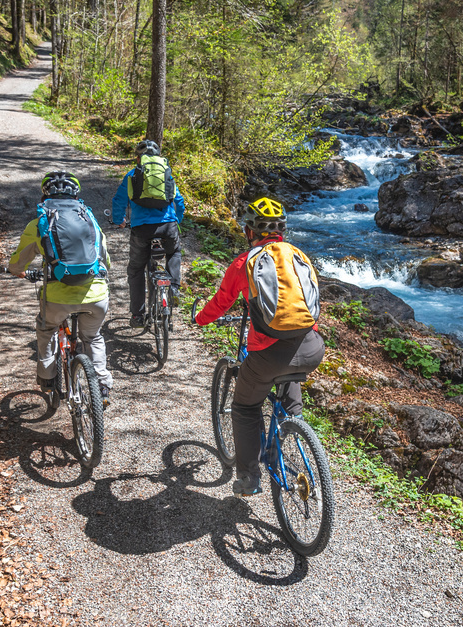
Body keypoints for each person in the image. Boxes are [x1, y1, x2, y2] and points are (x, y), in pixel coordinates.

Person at [195, 197, 325, 496]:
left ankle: (249, 478)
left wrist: (201, 320)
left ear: (248, 231)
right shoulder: (298, 256)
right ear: (282, 231)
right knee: (288, 385)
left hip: (269, 354)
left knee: (244, 407)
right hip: (312, 346)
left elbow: (221, 303)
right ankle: (290, 431)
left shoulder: (245, 262)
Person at [8, 171, 114, 406]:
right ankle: (103, 385)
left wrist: (19, 271)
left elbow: (17, 264)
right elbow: (105, 258)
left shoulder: (39, 224)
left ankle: (47, 379)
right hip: (95, 294)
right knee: (93, 336)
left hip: (57, 296)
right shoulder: (90, 219)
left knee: (46, 329)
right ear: (76, 194)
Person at [111, 139, 185, 329]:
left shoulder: (132, 174)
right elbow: (179, 200)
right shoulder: (167, 173)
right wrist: (177, 219)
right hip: (167, 227)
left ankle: (137, 315)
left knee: (136, 269)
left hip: (142, 230)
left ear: (138, 158)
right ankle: (174, 289)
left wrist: (119, 220)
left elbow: (119, 200)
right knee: (174, 253)